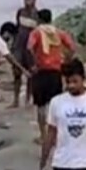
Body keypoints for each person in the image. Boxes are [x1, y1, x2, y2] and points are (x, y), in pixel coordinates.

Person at [26, 9, 76, 143]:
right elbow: (72, 47)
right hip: (56, 71)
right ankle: (56, 135)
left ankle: (43, 136)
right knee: (56, 105)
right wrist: (66, 60)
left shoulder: (36, 33)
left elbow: (29, 47)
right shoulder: (59, 32)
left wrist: (35, 62)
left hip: (41, 72)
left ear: (39, 20)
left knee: (41, 106)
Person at [10, 0, 39, 109]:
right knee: (16, 72)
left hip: (30, 47)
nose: (27, 1)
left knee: (30, 73)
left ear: (34, 0)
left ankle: (28, 99)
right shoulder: (20, 12)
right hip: (18, 46)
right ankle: (16, 99)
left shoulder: (36, 14)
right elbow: (17, 28)